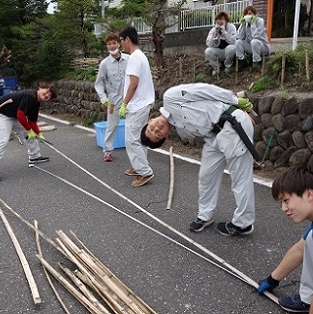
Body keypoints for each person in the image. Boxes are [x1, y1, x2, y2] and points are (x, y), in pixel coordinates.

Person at [140, 83, 256, 236]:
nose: (156, 129)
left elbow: (206, 90)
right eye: (158, 135)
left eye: (151, 128)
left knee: (240, 178)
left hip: (233, 124)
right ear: (166, 136)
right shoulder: (182, 131)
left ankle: (243, 223)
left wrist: (235, 102)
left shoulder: (171, 97)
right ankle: (205, 215)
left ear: (150, 120)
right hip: (214, 136)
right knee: (206, 176)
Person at [258, 165, 313, 314]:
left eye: (286, 200)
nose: (283, 208)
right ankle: (308, 300)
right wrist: (272, 279)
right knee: (311, 239)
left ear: (309, 195)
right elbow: (299, 249)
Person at [0, 83, 57, 182]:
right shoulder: (29, 95)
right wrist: (30, 131)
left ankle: (35, 156)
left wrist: (38, 134)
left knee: (28, 132)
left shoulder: (36, 102)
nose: (47, 95)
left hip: (12, 115)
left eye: (50, 95)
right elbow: (21, 115)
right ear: (39, 88)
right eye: (46, 91)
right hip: (0, 113)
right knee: (3, 141)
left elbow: (32, 121)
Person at [118, 26, 155, 187]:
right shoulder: (140, 56)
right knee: (140, 138)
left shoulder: (134, 57)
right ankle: (139, 166)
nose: (120, 45)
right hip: (143, 103)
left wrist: (124, 104)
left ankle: (145, 172)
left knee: (131, 140)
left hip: (138, 104)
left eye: (121, 41)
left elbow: (133, 83)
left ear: (127, 39)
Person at [95, 33, 129, 162]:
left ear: (119, 44)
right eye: (109, 44)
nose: (112, 46)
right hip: (113, 101)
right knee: (111, 126)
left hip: (129, 99)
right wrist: (103, 97)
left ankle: (136, 148)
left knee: (133, 125)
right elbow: (99, 83)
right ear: (107, 47)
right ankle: (107, 151)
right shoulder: (105, 64)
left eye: (114, 43)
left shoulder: (129, 59)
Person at [205, 11, 237, 76]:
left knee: (231, 48)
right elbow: (208, 44)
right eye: (218, 19)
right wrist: (214, 35)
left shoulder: (231, 27)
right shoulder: (213, 29)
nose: (220, 21)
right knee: (208, 51)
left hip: (228, 51)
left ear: (226, 20)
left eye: (222, 19)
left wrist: (224, 32)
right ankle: (216, 68)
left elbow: (233, 42)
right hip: (219, 51)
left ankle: (228, 67)